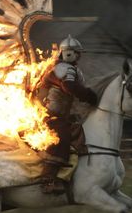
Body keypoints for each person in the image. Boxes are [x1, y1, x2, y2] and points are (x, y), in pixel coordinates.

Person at [37, 34, 97, 194]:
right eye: (77, 53)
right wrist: (90, 96)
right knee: (61, 138)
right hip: (48, 115)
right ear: (70, 53)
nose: (79, 56)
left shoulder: (72, 70)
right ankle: (48, 180)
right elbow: (70, 87)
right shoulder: (62, 68)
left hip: (62, 116)